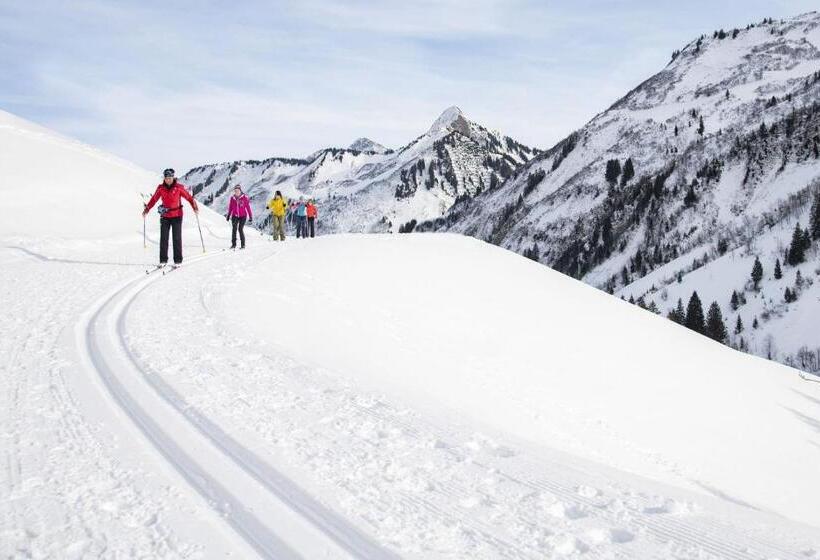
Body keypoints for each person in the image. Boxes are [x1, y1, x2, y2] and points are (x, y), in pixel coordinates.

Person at [142, 168, 198, 266]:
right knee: (164, 238)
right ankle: (163, 260)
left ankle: (178, 260)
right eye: (166, 178)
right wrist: (147, 209)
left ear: (173, 177)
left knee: (176, 238)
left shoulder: (178, 187)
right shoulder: (160, 188)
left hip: (177, 216)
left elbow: (189, 198)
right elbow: (154, 199)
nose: (168, 180)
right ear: (164, 178)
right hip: (165, 216)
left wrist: (195, 207)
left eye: (170, 178)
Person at [227, 185, 252, 249]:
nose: (236, 192)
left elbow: (248, 208)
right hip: (235, 215)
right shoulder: (232, 198)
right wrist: (228, 215)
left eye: (237, 191)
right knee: (234, 229)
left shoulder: (245, 198)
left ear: (240, 191)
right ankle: (233, 244)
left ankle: (243, 245)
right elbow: (230, 207)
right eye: (235, 191)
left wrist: (250, 216)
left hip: (243, 216)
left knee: (240, 229)